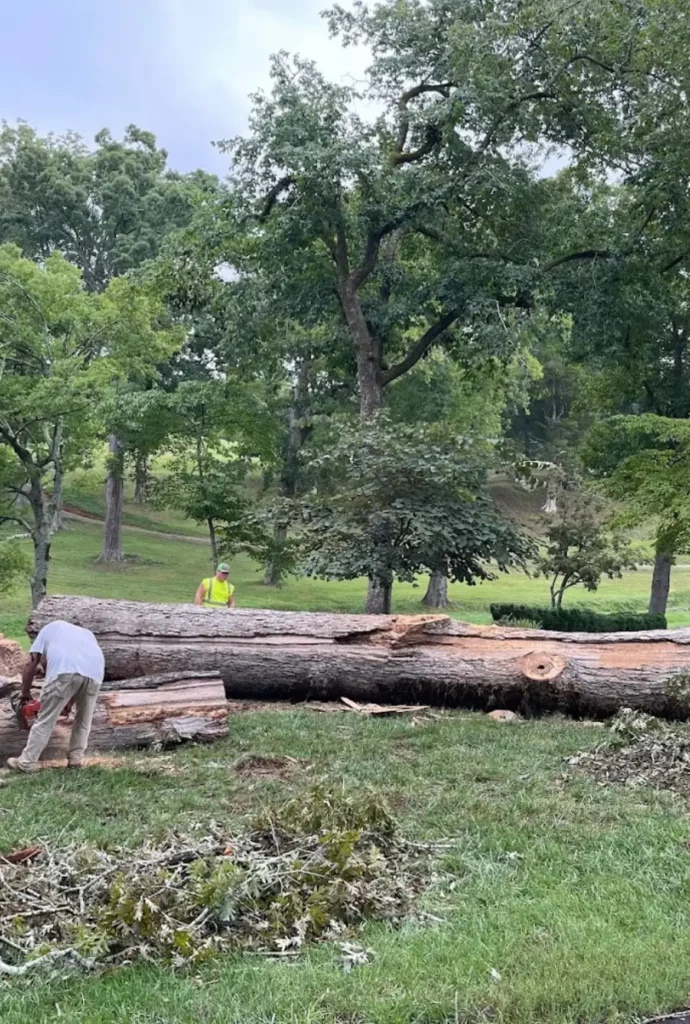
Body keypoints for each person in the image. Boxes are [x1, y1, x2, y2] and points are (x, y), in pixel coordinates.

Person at [6, 620, 105, 773]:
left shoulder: (46, 630)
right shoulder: (86, 634)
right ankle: (76, 759)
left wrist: (25, 694)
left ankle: (26, 763)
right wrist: (68, 702)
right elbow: (80, 673)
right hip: (95, 673)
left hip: (64, 671)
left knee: (45, 720)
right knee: (83, 720)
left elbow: (30, 664)